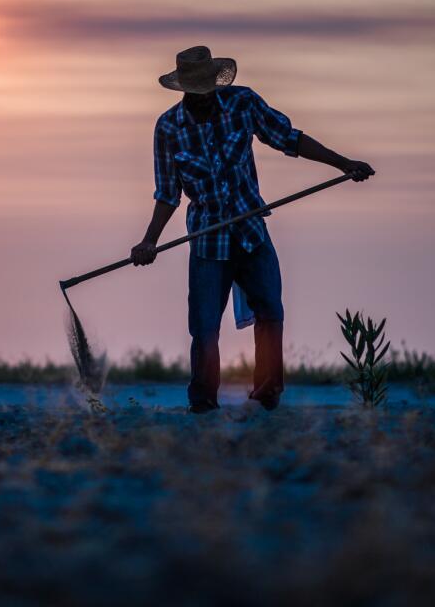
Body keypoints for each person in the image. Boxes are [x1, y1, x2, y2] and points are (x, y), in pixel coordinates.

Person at [130, 46, 374, 413]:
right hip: (207, 240)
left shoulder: (242, 103)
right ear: (183, 91)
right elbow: (168, 194)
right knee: (204, 327)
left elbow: (289, 138)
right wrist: (149, 241)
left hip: (250, 230)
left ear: (215, 84)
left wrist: (342, 163)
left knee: (270, 312)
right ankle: (203, 403)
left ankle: (267, 394)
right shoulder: (168, 128)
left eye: (206, 91)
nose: (203, 100)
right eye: (195, 94)